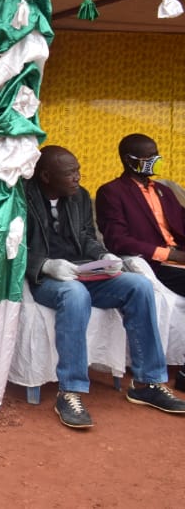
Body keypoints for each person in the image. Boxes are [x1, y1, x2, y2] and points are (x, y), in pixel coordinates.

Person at [24, 145, 185, 428]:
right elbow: (11, 247)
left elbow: (87, 236)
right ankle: (70, 391)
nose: (78, 177)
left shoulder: (81, 197)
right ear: (46, 176)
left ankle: (147, 383)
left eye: (78, 171)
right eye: (70, 173)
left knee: (139, 285)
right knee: (74, 294)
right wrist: (46, 265)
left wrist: (101, 255)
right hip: (47, 278)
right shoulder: (20, 198)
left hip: (85, 271)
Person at [95, 133, 185, 391]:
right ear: (128, 159)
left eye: (155, 154)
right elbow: (117, 240)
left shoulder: (164, 191)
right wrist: (169, 254)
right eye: (147, 157)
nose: (153, 161)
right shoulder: (112, 192)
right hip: (156, 264)